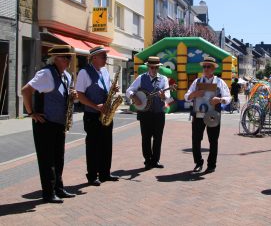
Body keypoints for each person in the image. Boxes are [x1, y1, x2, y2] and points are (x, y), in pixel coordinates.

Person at [21, 45, 77, 203]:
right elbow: (25, 90)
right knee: (47, 161)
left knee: (59, 159)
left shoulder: (65, 75)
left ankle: (58, 188)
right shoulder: (46, 73)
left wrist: (73, 95)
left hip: (59, 124)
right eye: (66, 57)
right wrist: (31, 113)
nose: (69, 60)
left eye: (69, 57)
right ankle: (48, 193)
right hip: (45, 124)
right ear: (56, 58)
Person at [76, 46, 119, 186]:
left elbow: (106, 88)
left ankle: (105, 173)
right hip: (92, 115)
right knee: (93, 146)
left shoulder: (105, 71)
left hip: (106, 114)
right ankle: (92, 175)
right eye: (103, 57)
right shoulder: (84, 72)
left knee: (107, 145)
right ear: (93, 58)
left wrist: (114, 88)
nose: (106, 59)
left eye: (106, 56)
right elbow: (80, 96)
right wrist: (96, 106)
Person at [184, 57, 231, 173]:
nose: (205, 68)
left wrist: (219, 99)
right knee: (196, 139)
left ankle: (211, 165)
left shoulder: (220, 82)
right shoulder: (197, 82)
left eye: (208, 66)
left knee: (213, 140)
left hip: (213, 114)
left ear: (214, 68)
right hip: (198, 114)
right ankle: (198, 163)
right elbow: (186, 97)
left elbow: (228, 98)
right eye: (204, 66)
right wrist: (194, 94)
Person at [126, 56, 170, 170]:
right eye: (151, 67)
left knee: (158, 137)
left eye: (156, 67)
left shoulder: (164, 79)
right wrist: (134, 97)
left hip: (158, 112)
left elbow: (168, 96)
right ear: (148, 67)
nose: (153, 69)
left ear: (158, 68)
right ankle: (147, 160)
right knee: (146, 137)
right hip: (145, 113)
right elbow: (129, 90)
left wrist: (163, 96)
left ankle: (155, 160)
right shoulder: (141, 78)